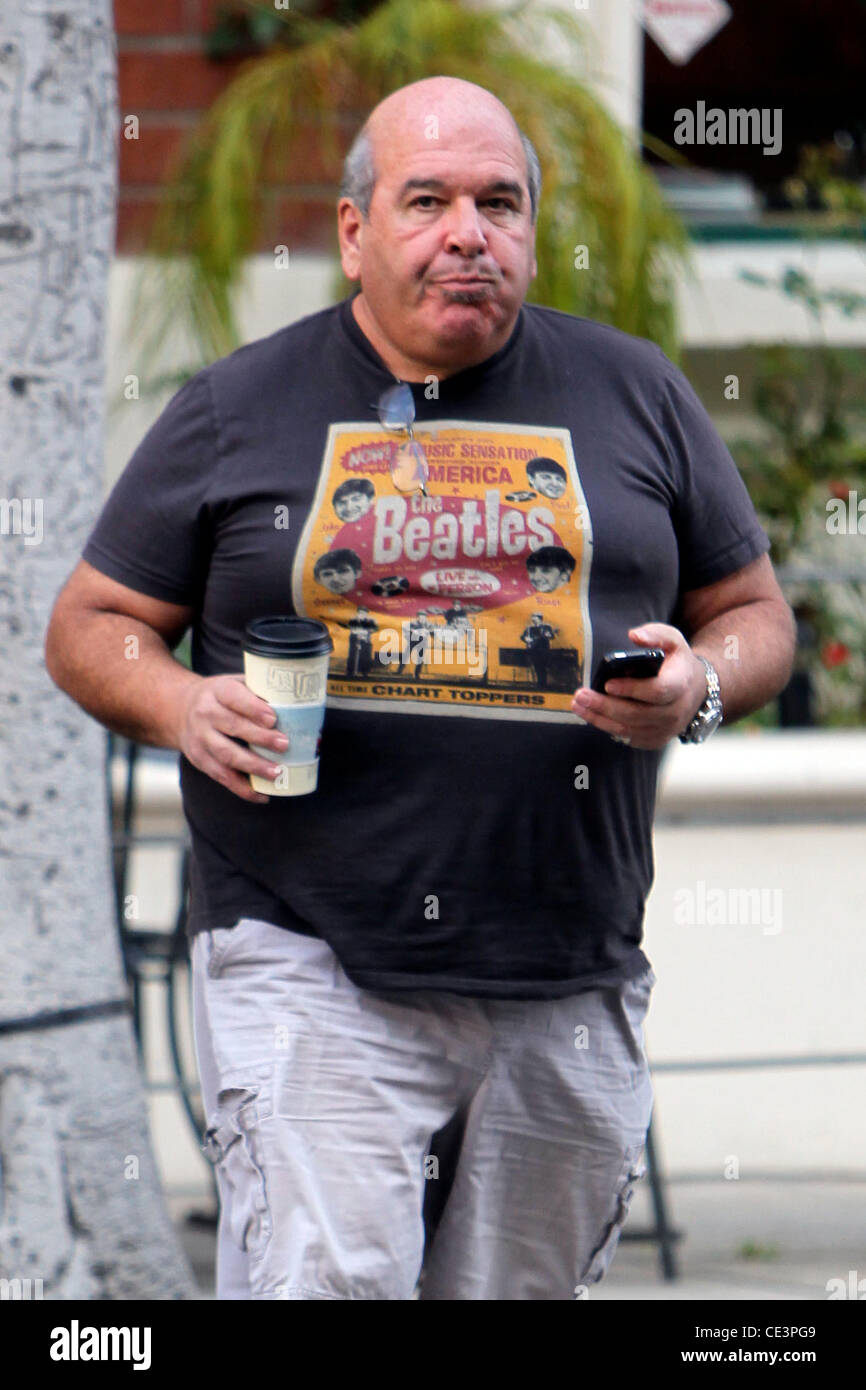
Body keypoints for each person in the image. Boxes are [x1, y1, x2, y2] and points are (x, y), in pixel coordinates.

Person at [44, 75, 795, 1301]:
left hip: (564, 966)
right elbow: (92, 623)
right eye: (427, 200)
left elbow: (754, 614)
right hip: (312, 958)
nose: (467, 233)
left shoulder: (636, 393)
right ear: (354, 231)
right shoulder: (240, 406)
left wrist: (697, 684)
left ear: (531, 232)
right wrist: (181, 705)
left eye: (499, 203)